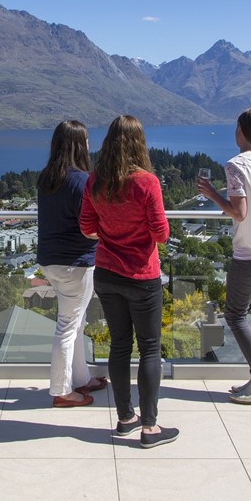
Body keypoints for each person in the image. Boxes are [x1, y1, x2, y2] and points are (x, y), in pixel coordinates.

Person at [79, 115, 178, 448]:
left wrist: (112, 233)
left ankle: (125, 419)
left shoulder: (96, 181)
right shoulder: (146, 183)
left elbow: (86, 227)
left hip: (106, 272)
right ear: (140, 143)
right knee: (149, 347)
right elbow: (161, 234)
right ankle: (150, 428)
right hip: (141, 276)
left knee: (120, 345)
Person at [197, 107, 251, 405]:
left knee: (235, 314)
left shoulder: (236, 165)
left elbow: (239, 212)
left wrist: (211, 194)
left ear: (241, 131)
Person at [37, 120, 106, 408]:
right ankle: (62, 391)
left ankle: (81, 378)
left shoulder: (46, 179)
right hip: (75, 264)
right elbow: (89, 226)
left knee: (75, 323)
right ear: (81, 145)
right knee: (67, 326)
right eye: (87, 140)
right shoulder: (82, 181)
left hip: (50, 261)